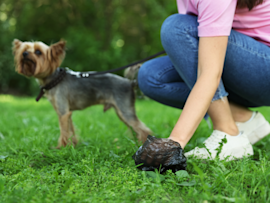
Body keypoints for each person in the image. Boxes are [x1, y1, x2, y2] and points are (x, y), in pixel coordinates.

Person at [137, 0, 270, 160]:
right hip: (244, 65)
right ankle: (243, 119)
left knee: (178, 28)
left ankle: (227, 132)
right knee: (151, 76)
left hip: (263, 70)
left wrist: (173, 143)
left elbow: (209, 72)